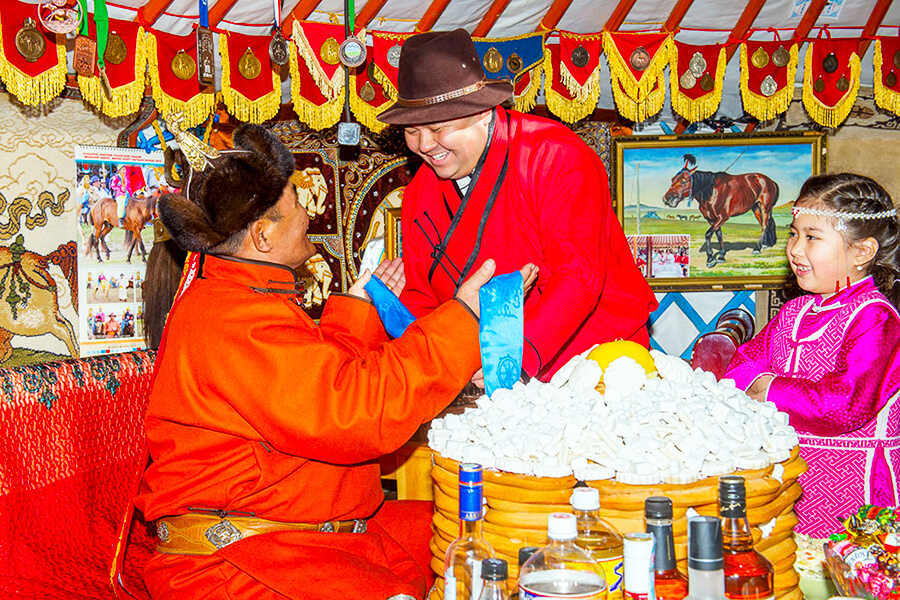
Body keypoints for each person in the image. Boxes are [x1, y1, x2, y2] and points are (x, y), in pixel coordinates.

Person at [132, 123, 536, 600]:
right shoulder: (230, 319)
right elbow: (354, 411)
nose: (310, 213)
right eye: (299, 204)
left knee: (486, 532)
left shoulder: (238, 299)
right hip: (248, 567)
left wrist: (355, 312)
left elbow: (312, 392)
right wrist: (466, 320)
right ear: (262, 236)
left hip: (291, 536)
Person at [378, 28, 656, 382]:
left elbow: (578, 279)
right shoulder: (421, 192)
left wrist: (514, 357)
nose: (424, 144)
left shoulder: (556, 157)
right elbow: (422, 296)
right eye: (411, 131)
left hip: (589, 361)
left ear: (481, 112)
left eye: (438, 128)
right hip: (478, 369)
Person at [725, 173, 900, 539]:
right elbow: (741, 362)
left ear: (863, 252)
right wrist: (755, 381)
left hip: (855, 490)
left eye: (812, 237)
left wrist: (768, 389)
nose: (795, 249)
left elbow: (844, 404)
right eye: (793, 233)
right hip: (791, 482)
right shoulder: (794, 312)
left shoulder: (875, 318)